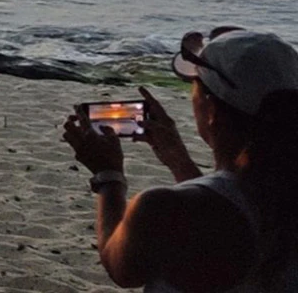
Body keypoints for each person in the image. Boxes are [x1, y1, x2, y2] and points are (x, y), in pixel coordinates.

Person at [62, 27, 298, 292]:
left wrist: (108, 176)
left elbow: (120, 267)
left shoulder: (164, 208)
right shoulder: (277, 194)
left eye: (194, 85)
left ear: (211, 110)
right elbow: (224, 209)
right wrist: (178, 159)